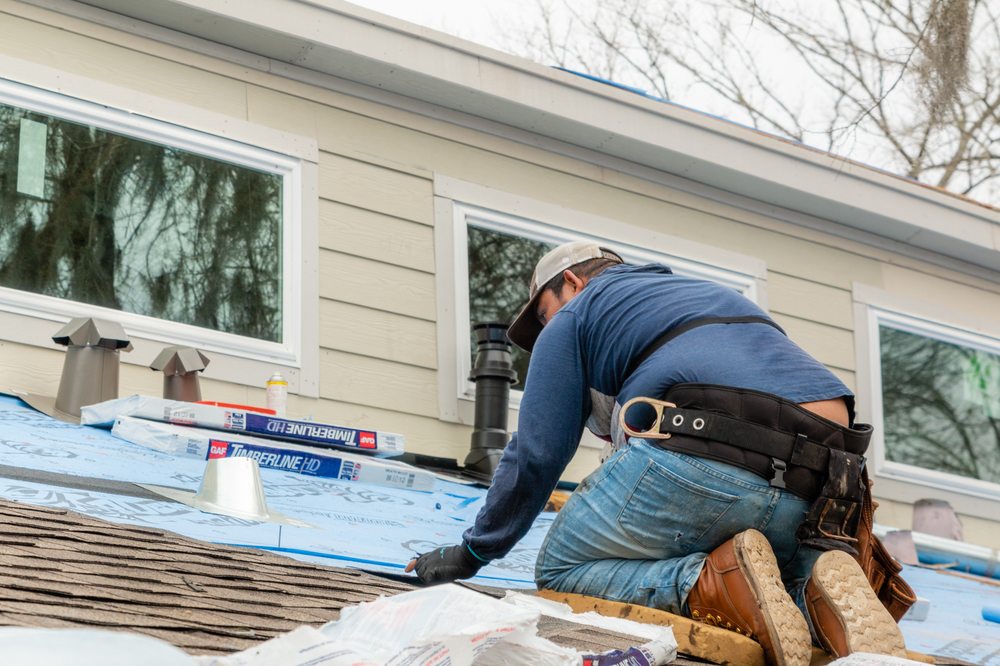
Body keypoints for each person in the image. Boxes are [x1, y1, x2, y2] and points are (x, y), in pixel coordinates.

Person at [407, 240, 908, 665]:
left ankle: (707, 581)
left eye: (544, 313)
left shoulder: (577, 314)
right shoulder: (709, 296)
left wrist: (475, 550)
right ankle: (814, 592)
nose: (546, 329)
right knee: (771, 574)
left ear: (573, 283)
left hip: (706, 456)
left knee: (560, 568)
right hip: (828, 481)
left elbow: (537, 453)